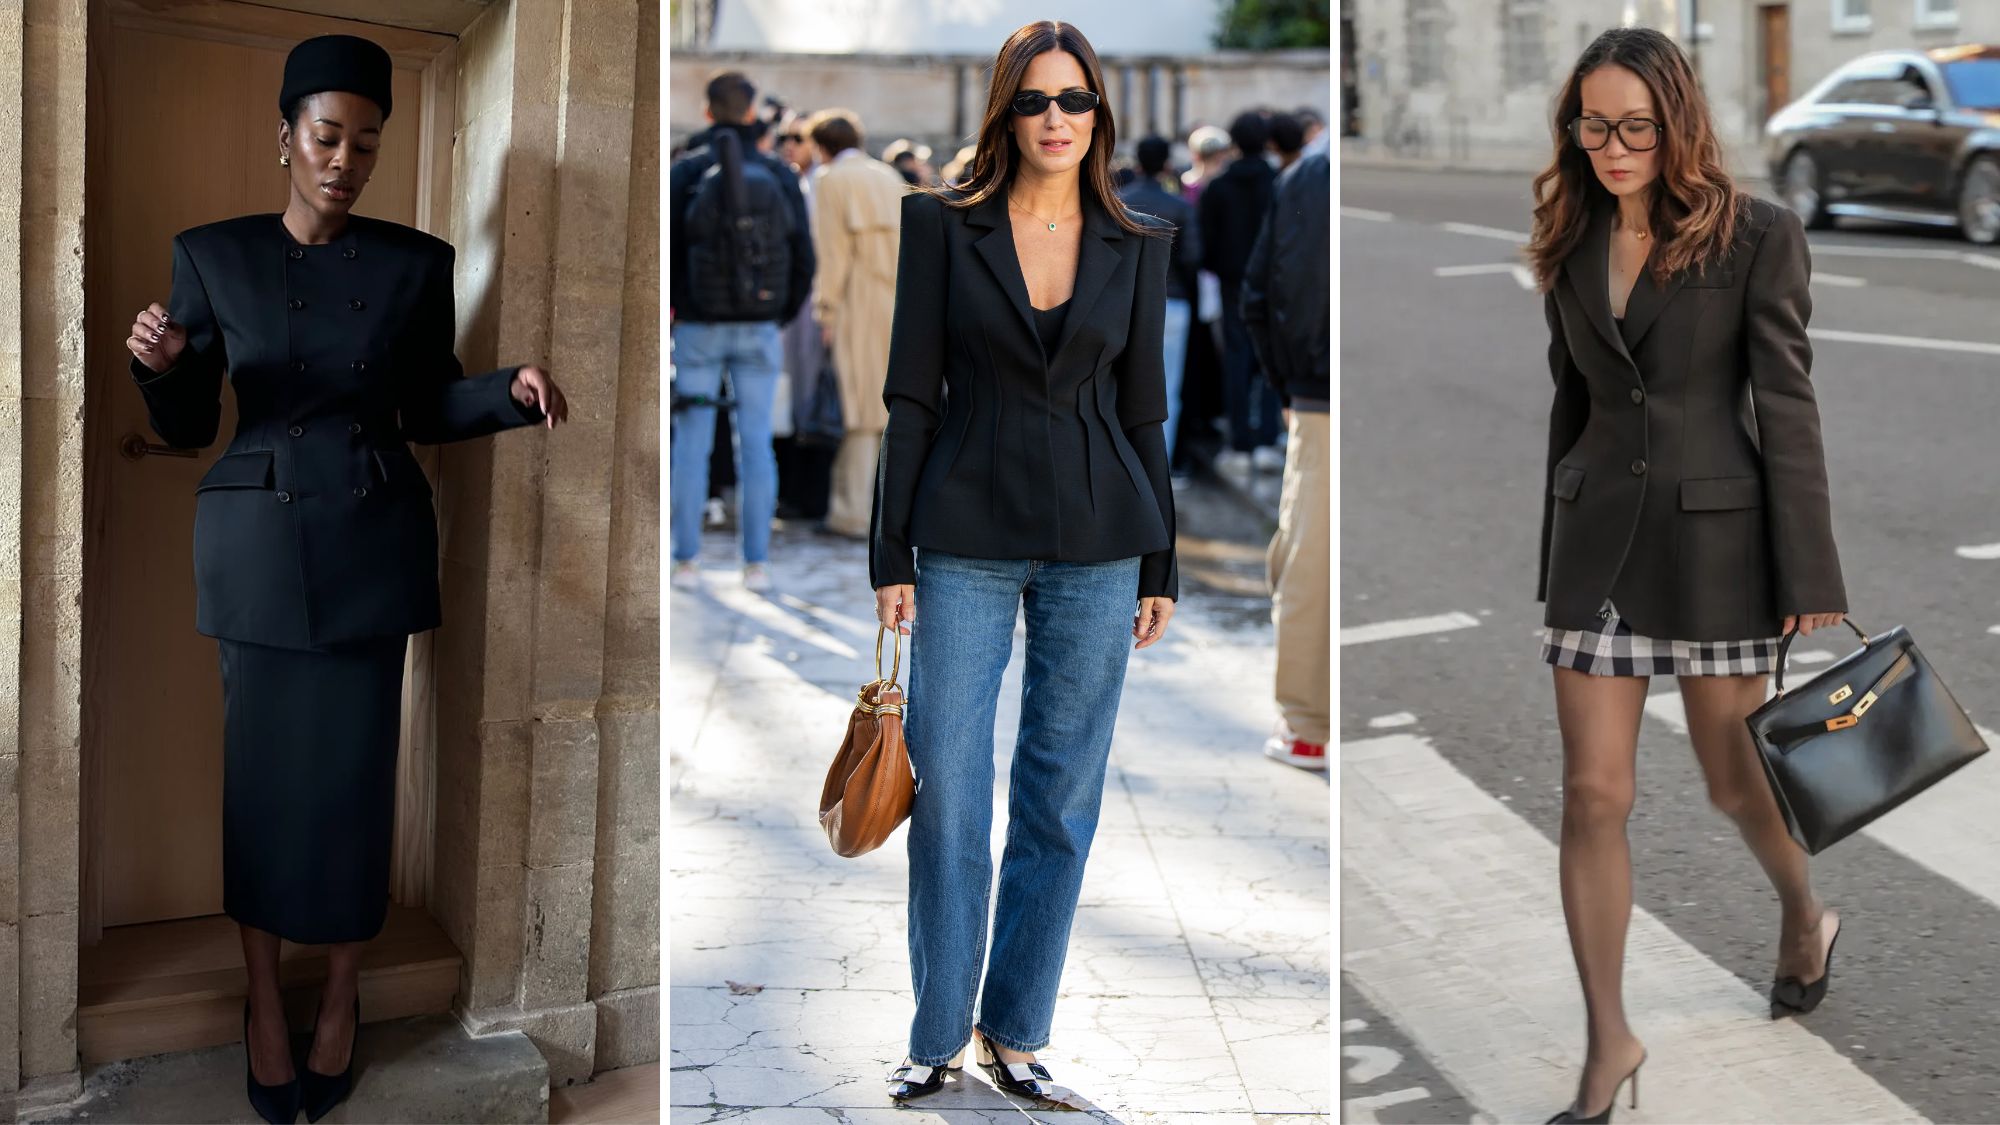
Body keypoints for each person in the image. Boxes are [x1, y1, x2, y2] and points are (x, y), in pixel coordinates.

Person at [123, 34, 569, 1125]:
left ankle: (339, 997)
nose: (344, 161)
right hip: (258, 554)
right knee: (263, 790)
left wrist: (507, 394)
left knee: (357, 787)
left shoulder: (414, 265)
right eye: (326, 138)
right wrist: (159, 371)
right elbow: (190, 425)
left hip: (372, 544)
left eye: (366, 144)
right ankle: (262, 1000)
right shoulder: (213, 255)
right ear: (285, 138)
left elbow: (421, 409)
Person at [1527, 27, 1847, 1124]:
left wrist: (1807, 568)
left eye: (1631, 127)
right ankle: (1607, 1042)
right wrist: (1552, 554)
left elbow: (1786, 408)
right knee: (1590, 794)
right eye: (1591, 124)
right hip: (1594, 551)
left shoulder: (1755, 236)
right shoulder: (1566, 236)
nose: (1610, 147)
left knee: (1730, 780)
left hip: (1716, 547)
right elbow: (1570, 405)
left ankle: (1802, 915)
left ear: (1674, 124)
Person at [870, 18, 1178, 1104]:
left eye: (1075, 99)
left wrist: (1161, 564)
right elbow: (910, 394)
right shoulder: (940, 227)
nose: (1057, 118)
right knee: (949, 790)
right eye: (1036, 100)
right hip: (960, 538)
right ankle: (936, 1028)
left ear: (1100, 112)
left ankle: (1015, 1031)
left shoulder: (1138, 239)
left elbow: (1145, 411)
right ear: (1004, 112)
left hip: (1102, 542)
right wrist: (886, 548)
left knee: (1059, 798)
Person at [669, 70, 815, 593]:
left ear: (708, 113)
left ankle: (685, 560)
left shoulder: (685, 171)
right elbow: (804, 259)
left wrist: (678, 306)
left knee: (691, 444)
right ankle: (755, 563)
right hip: (759, 327)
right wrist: (778, 312)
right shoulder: (777, 173)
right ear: (753, 114)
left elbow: (664, 252)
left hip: (697, 327)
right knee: (756, 444)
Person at [1241, 149, 1329, 771]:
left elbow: (1262, 291)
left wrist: (1287, 386)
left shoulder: (1308, 175)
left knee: (1310, 561)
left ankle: (1308, 726)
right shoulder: (1311, 172)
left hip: (1319, 393)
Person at [806, 108, 907, 539]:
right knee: (884, 407)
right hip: (898, 300)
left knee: (856, 409)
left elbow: (832, 252)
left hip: (856, 299)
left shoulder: (831, 180)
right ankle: (880, 511)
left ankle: (851, 512)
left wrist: (825, 310)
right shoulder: (888, 176)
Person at [1198, 110, 1281, 474]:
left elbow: (1207, 243)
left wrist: (1222, 268)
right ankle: (1265, 437)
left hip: (1233, 281)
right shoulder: (1280, 182)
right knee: (1268, 359)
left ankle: (1239, 441)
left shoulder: (1218, 186)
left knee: (1236, 356)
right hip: (1272, 281)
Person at [1118, 134, 1201, 469]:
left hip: (1123, 303)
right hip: (1171, 301)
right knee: (1167, 388)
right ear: (1167, 164)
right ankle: (1157, 467)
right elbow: (1193, 257)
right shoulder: (1180, 206)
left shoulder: (1118, 201)